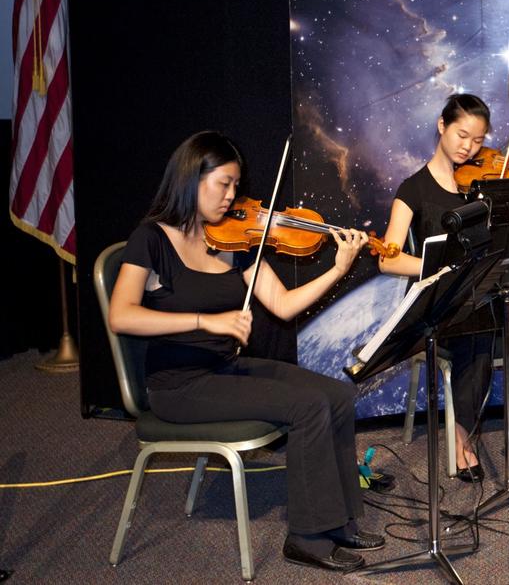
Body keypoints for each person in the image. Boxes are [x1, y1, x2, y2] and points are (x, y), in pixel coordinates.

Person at [107, 131, 380, 574]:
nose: (233, 196)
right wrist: (204, 321)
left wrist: (338, 269)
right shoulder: (151, 239)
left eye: (237, 186)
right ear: (191, 178)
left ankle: (340, 521)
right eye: (224, 184)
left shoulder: (237, 240)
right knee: (309, 407)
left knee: (337, 395)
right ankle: (307, 537)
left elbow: (284, 304)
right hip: (179, 385)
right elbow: (121, 316)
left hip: (225, 368)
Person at [379, 93, 509, 480]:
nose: (469, 147)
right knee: (476, 339)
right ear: (442, 126)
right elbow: (388, 258)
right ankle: (461, 441)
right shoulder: (413, 190)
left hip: (488, 295)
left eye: (478, 139)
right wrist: (440, 267)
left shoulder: (488, 183)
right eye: (462, 135)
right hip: (445, 303)